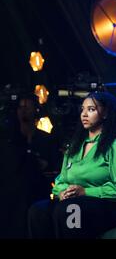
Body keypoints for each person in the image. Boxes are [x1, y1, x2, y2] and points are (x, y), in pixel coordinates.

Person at [28, 92, 116, 238]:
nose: (84, 114)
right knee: (38, 210)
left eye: (91, 109)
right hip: (75, 202)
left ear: (105, 114)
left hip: (108, 205)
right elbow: (61, 180)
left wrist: (85, 192)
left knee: (70, 209)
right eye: (83, 109)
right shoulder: (75, 146)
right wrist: (62, 192)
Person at [0, 94, 59, 238]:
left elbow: (52, 164)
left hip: (37, 191)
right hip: (12, 196)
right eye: (21, 107)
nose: (24, 110)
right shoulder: (8, 140)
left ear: (35, 110)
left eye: (27, 106)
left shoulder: (46, 139)